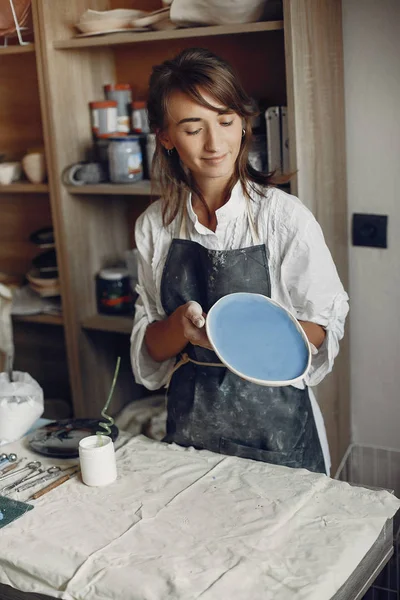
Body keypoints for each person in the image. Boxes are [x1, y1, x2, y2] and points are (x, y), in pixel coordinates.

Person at [131, 47, 349, 475]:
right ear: (166, 137)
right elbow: (152, 349)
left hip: (277, 434)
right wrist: (182, 328)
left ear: (244, 123)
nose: (215, 144)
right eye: (193, 129)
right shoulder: (154, 227)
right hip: (191, 431)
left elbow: (321, 331)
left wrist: (235, 334)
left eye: (226, 122)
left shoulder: (283, 218)